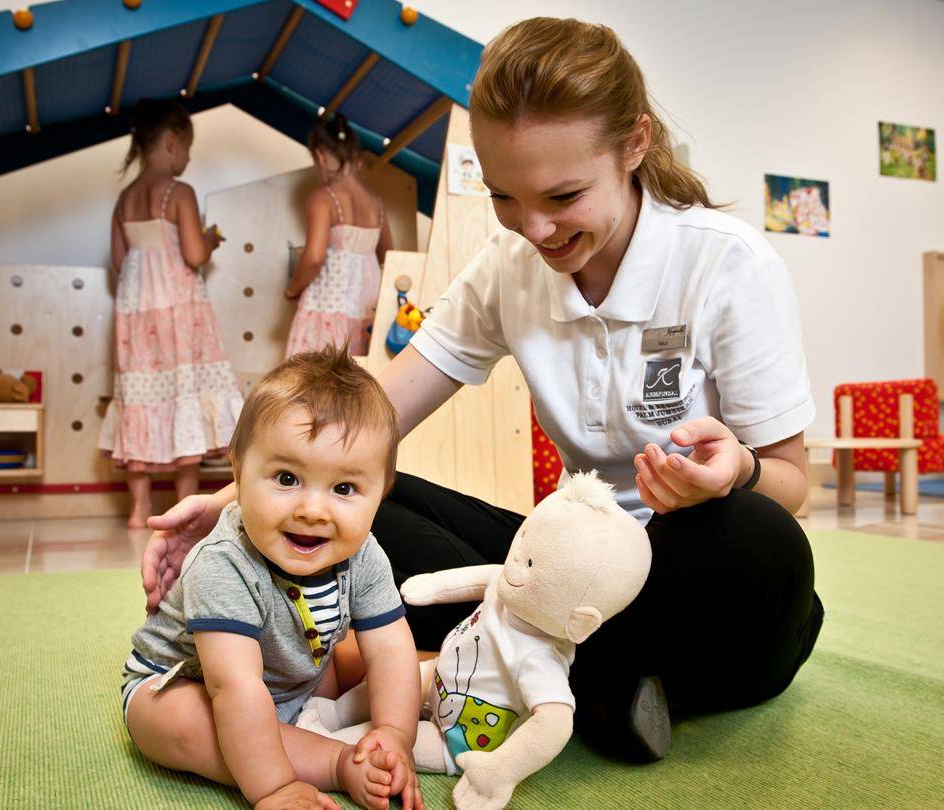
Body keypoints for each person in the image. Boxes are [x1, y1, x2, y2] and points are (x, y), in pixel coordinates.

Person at [144, 16, 824, 765]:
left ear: (634, 145)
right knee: (375, 498)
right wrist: (238, 500)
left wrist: (739, 473)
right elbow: (367, 419)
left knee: (761, 539)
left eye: (564, 196)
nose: (535, 228)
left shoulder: (730, 267)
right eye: (505, 196)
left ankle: (512, 672)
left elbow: (792, 482)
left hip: (681, 569)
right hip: (556, 573)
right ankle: (581, 684)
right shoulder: (511, 265)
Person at [122, 347, 423, 810]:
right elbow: (234, 688)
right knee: (177, 724)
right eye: (286, 478)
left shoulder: (364, 554)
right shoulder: (224, 563)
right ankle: (332, 761)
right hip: (191, 684)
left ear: (381, 493)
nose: (311, 510)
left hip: (294, 673)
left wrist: (395, 735)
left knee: (379, 663)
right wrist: (276, 787)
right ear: (238, 475)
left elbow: (390, 646)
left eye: (344, 489)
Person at [98, 100, 244, 529]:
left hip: (135, 311)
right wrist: (210, 240)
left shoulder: (125, 199)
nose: (188, 159)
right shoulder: (180, 194)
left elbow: (118, 262)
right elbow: (194, 254)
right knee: (184, 392)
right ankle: (183, 504)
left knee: (140, 395)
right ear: (170, 142)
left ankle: (139, 509)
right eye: (186, 149)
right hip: (179, 312)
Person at [284, 114, 394, 357]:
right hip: (366, 307)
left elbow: (314, 257)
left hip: (328, 303)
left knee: (313, 380)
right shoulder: (376, 203)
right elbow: (388, 255)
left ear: (321, 157)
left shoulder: (323, 199)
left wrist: (293, 287)